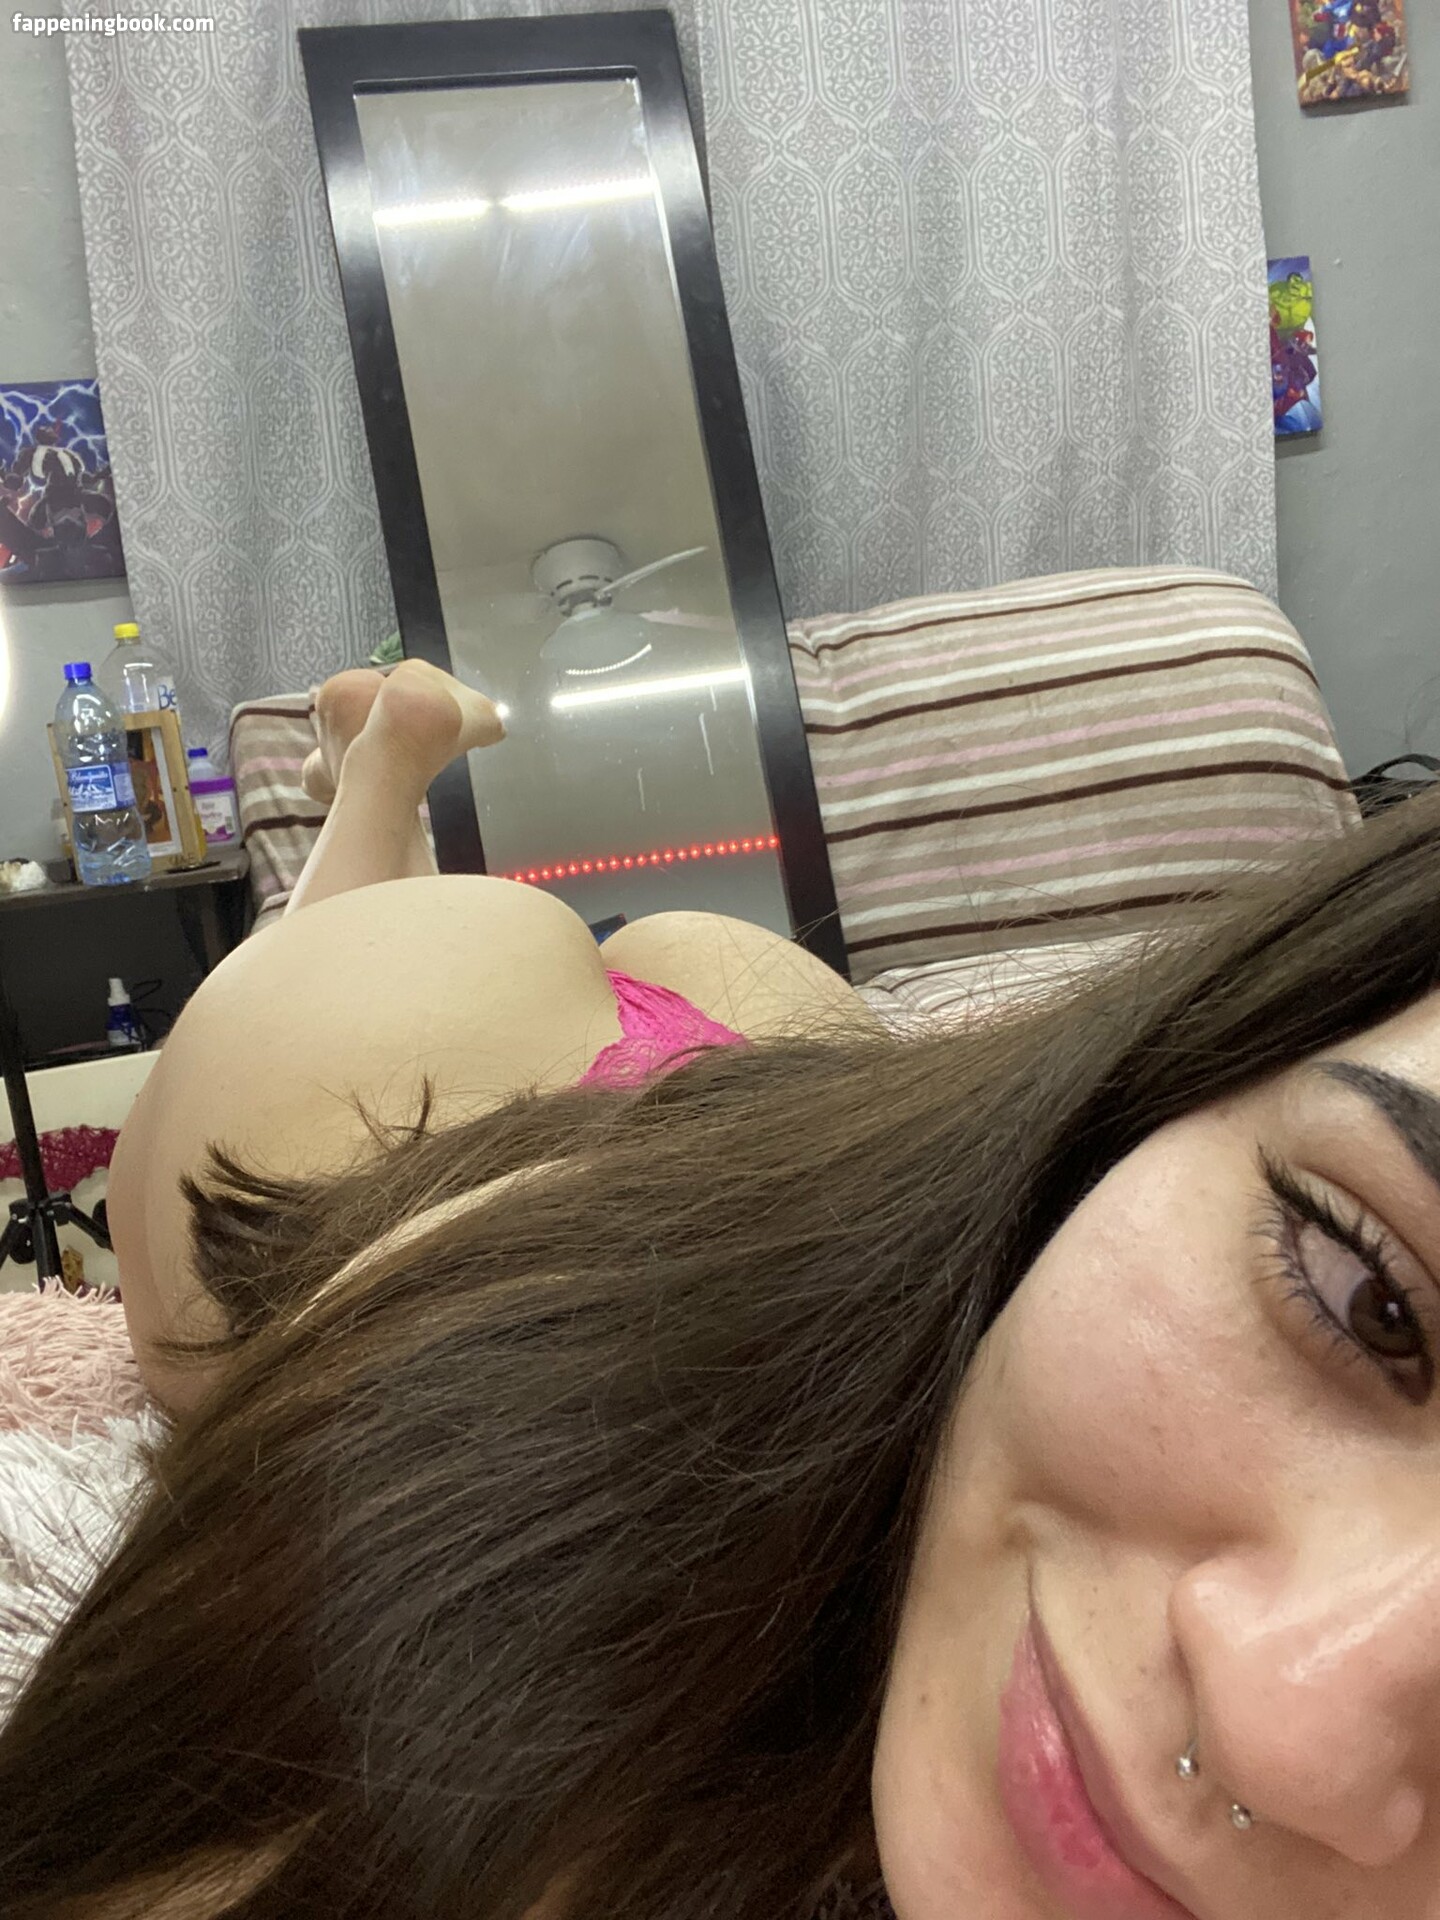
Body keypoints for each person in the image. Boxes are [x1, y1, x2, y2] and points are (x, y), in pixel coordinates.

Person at [1, 659, 1439, 1920]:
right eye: (1373, 1299)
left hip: (794, 1085)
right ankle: (377, 780)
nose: (1287, 1727)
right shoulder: (475, 1521)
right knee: (196, 1289)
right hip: (457, 1067)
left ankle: (381, 783)